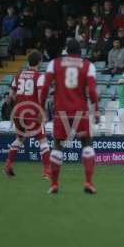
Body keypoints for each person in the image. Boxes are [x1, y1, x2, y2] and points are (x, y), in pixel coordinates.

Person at [39, 39, 100, 194]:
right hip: (81, 110)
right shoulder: (88, 65)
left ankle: (54, 184)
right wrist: (96, 109)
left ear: (66, 50)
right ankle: (88, 182)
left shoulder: (54, 63)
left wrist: (41, 108)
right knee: (86, 144)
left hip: (61, 111)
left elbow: (45, 87)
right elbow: (92, 91)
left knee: (58, 145)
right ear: (80, 52)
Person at [3, 50, 50, 179]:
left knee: (19, 139)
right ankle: (47, 171)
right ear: (39, 62)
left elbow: (11, 96)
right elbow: (41, 95)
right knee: (43, 141)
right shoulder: (39, 76)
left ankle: (8, 164)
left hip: (18, 114)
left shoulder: (18, 75)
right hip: (33, 114)